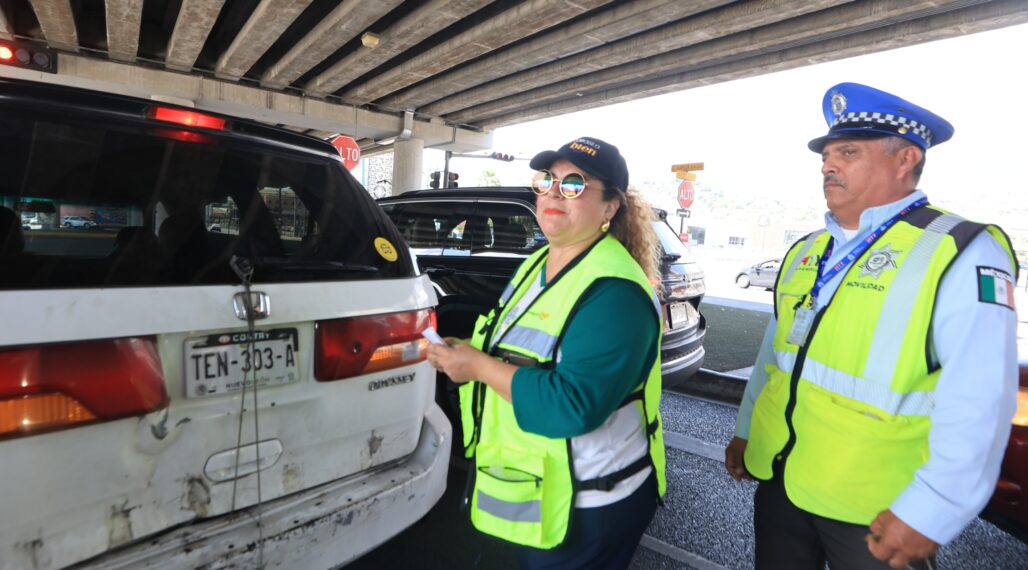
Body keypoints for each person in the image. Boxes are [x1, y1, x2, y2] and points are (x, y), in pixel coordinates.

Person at [724, 83, 1019, 569]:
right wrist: (745, 430)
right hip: (781, 478)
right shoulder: (806, 250)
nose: (827, 165)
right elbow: (773, 359)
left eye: (848, 152)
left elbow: (981, 397)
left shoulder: (960, 249)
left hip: (876, 504)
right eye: (826, 155)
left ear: (906, 159)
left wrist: (935, 509)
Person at [426, 137, 667, 569]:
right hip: (530, 484)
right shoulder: (537, 263)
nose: (554, 193)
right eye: (547, 181)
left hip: (587, 503)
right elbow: (520, 349)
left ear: (610, 207)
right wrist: (469, 352)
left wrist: (478, 367)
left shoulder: (615, 293)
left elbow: (572, 406)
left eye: (574, 185)